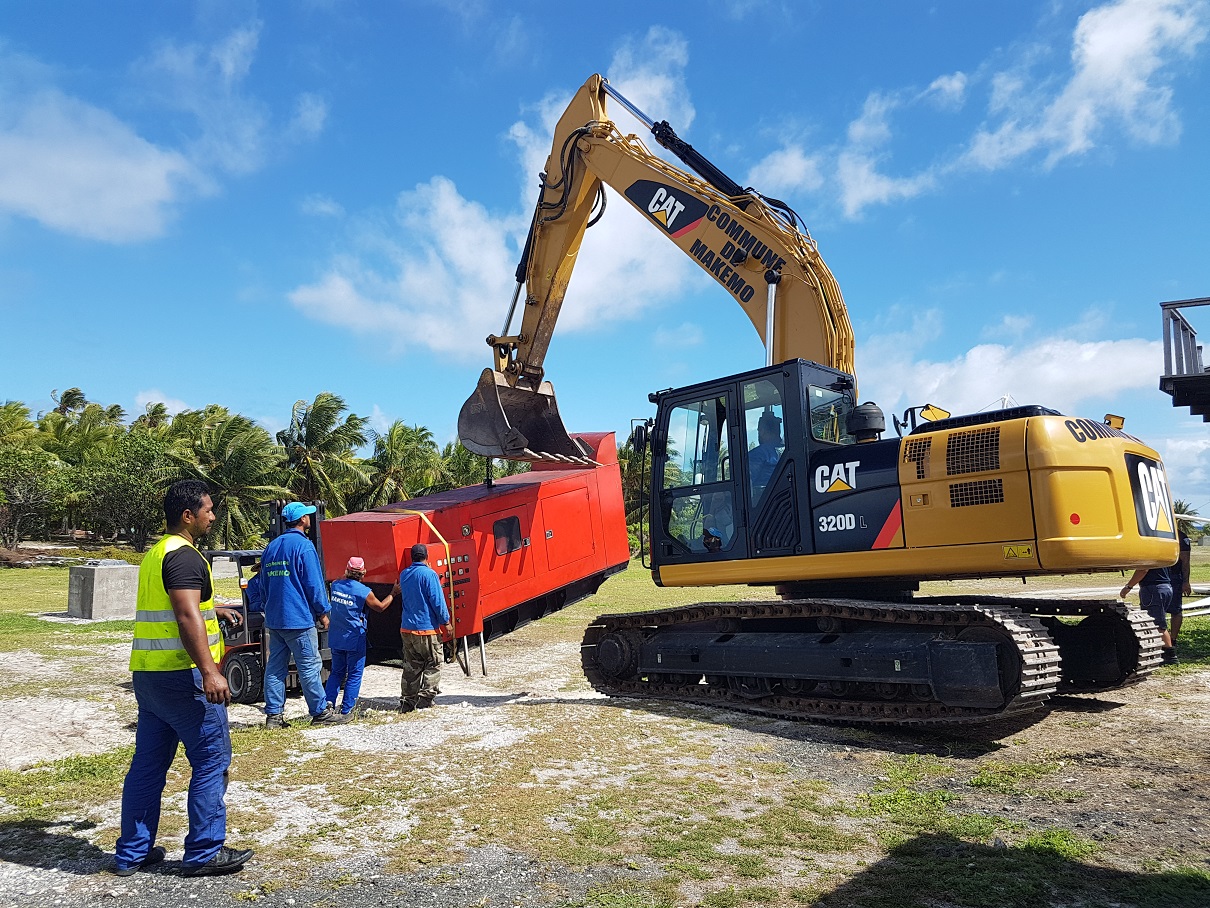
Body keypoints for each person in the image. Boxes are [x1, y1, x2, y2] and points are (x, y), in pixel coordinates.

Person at [114, 480, 254, 878]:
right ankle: (204, 851)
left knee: (147, 766)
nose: (213, 516)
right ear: (188, 515)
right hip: (185, 677)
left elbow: (189, 604)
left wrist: (217, 607)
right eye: (208, 510)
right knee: (212, 758)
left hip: (150, 677)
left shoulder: (157, 552)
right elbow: (185, 614)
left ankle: (132, 853)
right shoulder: (187, 556)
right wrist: (210, 671)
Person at [246, 502, 337, 727]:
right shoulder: (304, 547)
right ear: (303, 520)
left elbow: (263, 583)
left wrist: (269, 608)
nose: (309, 518)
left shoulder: (272, 547)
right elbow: (314, 585)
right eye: (308, 515)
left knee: (276, 668)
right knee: (309, 666)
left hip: (275, 620)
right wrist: (324, 613)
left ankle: (274, 716)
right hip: (298, 620)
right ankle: (319, 712)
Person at [323, 556, 394, 719]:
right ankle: (347, 710)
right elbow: (381, 607)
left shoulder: (335, 585)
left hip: (336, 636)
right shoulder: (364, 592)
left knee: (336, 672)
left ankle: (328, 703)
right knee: (354, 674)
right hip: (354, 638)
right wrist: (393, 593)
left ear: (347, 570)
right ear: (363, 573)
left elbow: (341, 580)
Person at [395, 543, 453, 712]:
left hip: (407, 628)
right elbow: (437, 601)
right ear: (427, 557)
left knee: (411, 666)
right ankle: (426, 698)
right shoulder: (429, 574)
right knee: (434, 662)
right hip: (426, 628)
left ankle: (407, 701)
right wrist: (446, 622)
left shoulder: (404, 574)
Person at [1121, 542, 1184, 665]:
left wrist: (1128, 586)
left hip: (1153, 588)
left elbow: (1143, 570)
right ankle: (1163, 651)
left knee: (1156, 624)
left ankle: (1169, 655)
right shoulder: (1157, 548)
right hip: (1165, 586)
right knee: (1159, 620)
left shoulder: (1146, 551)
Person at [748, 412, 784, 497]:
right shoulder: (786, 452)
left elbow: (746, 482)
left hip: (762, 500)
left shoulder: (758, 454)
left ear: (762, 431)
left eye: (758, 430)